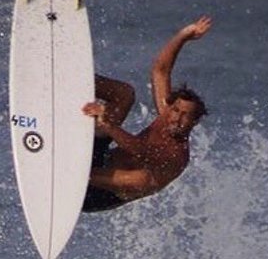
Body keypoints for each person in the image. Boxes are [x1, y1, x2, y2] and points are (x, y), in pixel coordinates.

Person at [81, 15, 212, 213]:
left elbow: (140, 150)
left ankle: (74, 175)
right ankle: (70, 80)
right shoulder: (167, 116)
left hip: (97, 193)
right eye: (176, 110)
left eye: (185, 116)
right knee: (125, 93)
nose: (176, 118)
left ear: (194, 122)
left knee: (143, 178)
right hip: (100, 158)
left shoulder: (177, 155)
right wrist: (184, 36)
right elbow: (161, 70)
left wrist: (108, 125)